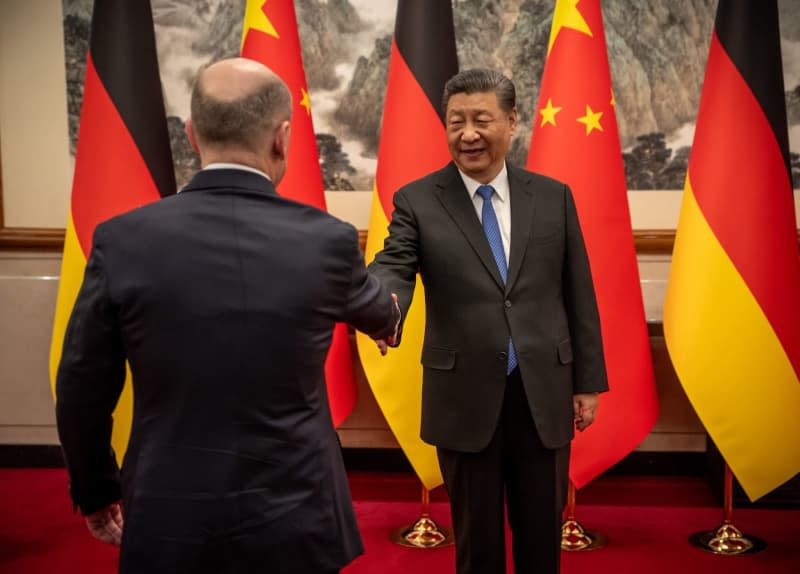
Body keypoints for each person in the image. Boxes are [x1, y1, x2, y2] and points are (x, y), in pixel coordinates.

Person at [55, 58, 399, 574]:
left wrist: (97, 490)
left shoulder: (121, 240)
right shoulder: (327, 241)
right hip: (297, 517)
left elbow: (81, 385)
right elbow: (379, 312)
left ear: (193, 134)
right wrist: (393, 302)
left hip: (168, 514)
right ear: (282, 138)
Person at [370, 68, 609, 574]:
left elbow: (577, 291)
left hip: (542, 390)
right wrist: (381, 308)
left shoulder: (552, 197)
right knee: (477, 543)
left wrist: (587, 381)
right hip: (465, 396)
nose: (468, 133)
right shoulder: (418, 200)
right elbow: (394, 266)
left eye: (482, 119)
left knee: (541, 537)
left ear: (512, 121)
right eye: (456, 122)